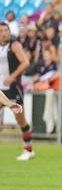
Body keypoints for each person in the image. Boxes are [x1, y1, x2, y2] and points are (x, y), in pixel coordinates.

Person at [0, 22, 32, 160]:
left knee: (20, 119)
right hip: (1, 88)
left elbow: (25, 63)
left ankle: (29, 150)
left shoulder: (14, 45)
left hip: (13, 88)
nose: (4, 33)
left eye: (6, 30)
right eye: (1, 31)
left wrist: (12, 76)